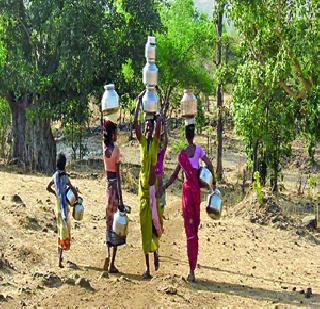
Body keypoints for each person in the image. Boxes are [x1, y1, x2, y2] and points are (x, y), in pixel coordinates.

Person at [161, 124, 215, 282]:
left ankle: (191, 270)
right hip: (195, 194)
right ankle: (192, 268)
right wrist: (214, 184)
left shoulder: (182, 155)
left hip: (186, 193)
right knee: (195, 230)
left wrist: (164, 187)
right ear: (194, 135)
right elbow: (210, 164)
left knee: (189, 229)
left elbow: (174, 175)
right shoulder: (198, 150)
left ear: (185, 136)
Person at [134, 91, 163, 279]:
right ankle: (147, 267)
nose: (147, 129)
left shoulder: (154, 143)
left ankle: (156, 253)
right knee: (144, 228)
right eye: (146, 127)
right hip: (142, 191)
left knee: (154, 225)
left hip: (153, 191)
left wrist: (158, 103)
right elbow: (135, 124)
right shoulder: (142, 143)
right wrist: (138, 103)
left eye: (150, 126)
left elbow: (159, 123)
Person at [46, 153, 78, 268]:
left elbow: (48, 187)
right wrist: (75, 194)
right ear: (64, 165)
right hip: (64, 208)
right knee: (64, 231)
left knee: (60, 231)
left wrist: (55, 194)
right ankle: (60, 258)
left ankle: (59, 259)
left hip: (57, 207)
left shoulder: (55, 176)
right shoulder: (65, 177)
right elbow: (72, 188)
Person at [102, 120, 125, 273]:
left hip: (107, 189)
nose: (117, 135)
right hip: (115, 190)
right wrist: (121, 199)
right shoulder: (116, 150)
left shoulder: (104, 149)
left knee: (109, 224)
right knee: (117, 226)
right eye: (116, 132)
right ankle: (112, 263)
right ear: (112, 134)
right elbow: (118, 176)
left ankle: (107, 256)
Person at [155, 123, 168, 217]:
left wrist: (165, 127)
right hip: (153, 185)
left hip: (160, 185)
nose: (159, 148)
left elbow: (166, 142)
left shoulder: (161, 155)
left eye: (160, 145)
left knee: (161, 207)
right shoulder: (151, 156)